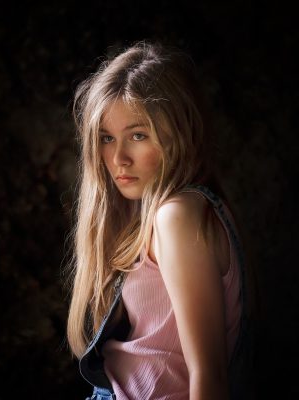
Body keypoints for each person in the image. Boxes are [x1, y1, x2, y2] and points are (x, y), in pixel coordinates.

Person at [65, 40, 257, 400]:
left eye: (138, 135)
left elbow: (209, 374)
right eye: (107, 138)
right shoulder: (175, 211)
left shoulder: (177, 216)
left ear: (178, 133)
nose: (118, 158)